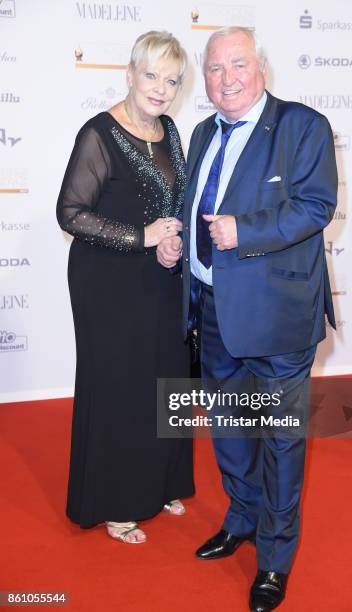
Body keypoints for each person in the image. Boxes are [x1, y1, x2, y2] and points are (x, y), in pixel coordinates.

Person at [157, 27, 337, 611]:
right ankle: (242, 519)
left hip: (279, 318)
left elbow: (315, 205)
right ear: (203, 78)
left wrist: (245, 232)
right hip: (212, 313)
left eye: (238, 64)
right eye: (214, 68)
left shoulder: (302, 126)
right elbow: (197, 207)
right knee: (231, 434)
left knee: (282, 443)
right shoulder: (203, 131)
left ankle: (276, 560)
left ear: (260, 67)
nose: (226, 78)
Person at [57, 31, 194, 544]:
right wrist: (141, 236)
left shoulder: (171, 130)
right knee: (120, 386)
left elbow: (170, 204)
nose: (161, 88)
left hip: (159, 276)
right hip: (107, 281)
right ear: (131, 74)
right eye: (153, 75)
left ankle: (162, 481)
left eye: (172, 80)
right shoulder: (99, 132)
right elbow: (69, 213)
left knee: (166, 379)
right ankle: (116, 501)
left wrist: (169, 240)